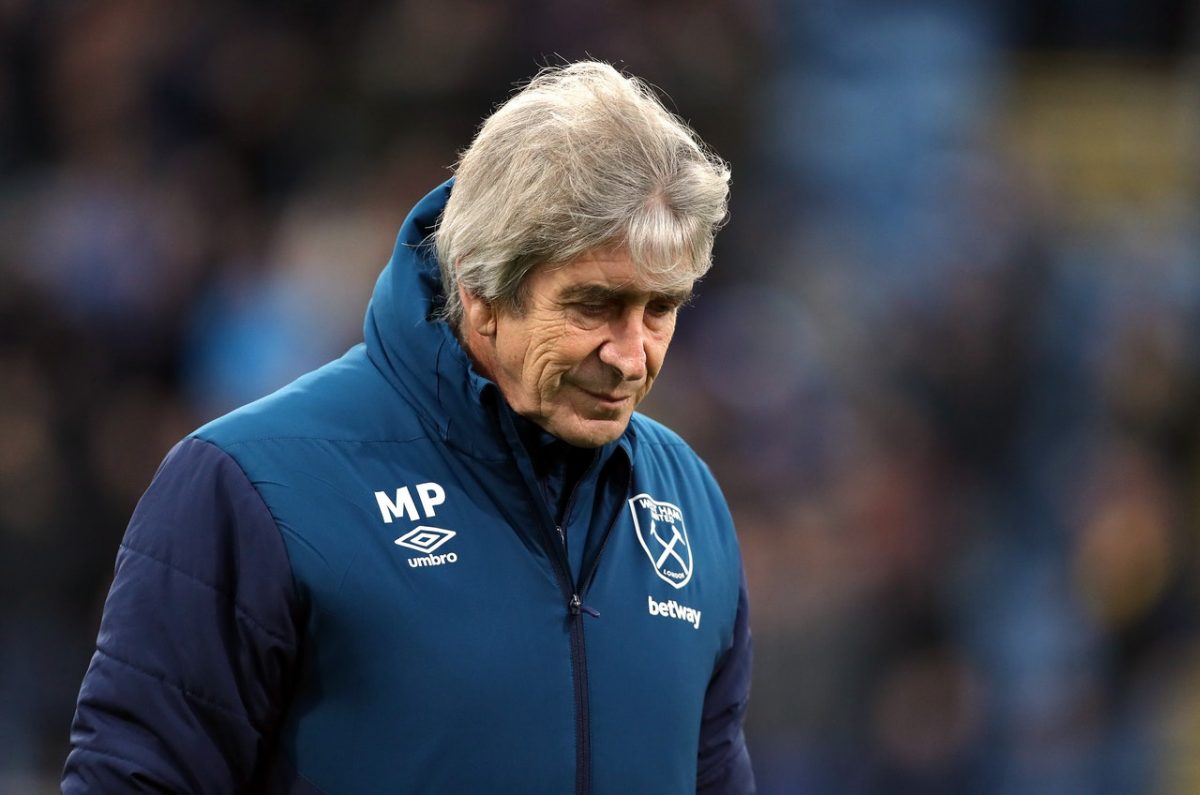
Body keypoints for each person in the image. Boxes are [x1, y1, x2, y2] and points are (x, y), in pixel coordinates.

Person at [63, 61, 753, 795]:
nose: (632, 355)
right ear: (481, 291)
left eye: (660, 309)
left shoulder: (688, 501)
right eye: (593, 306)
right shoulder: (252, 484)